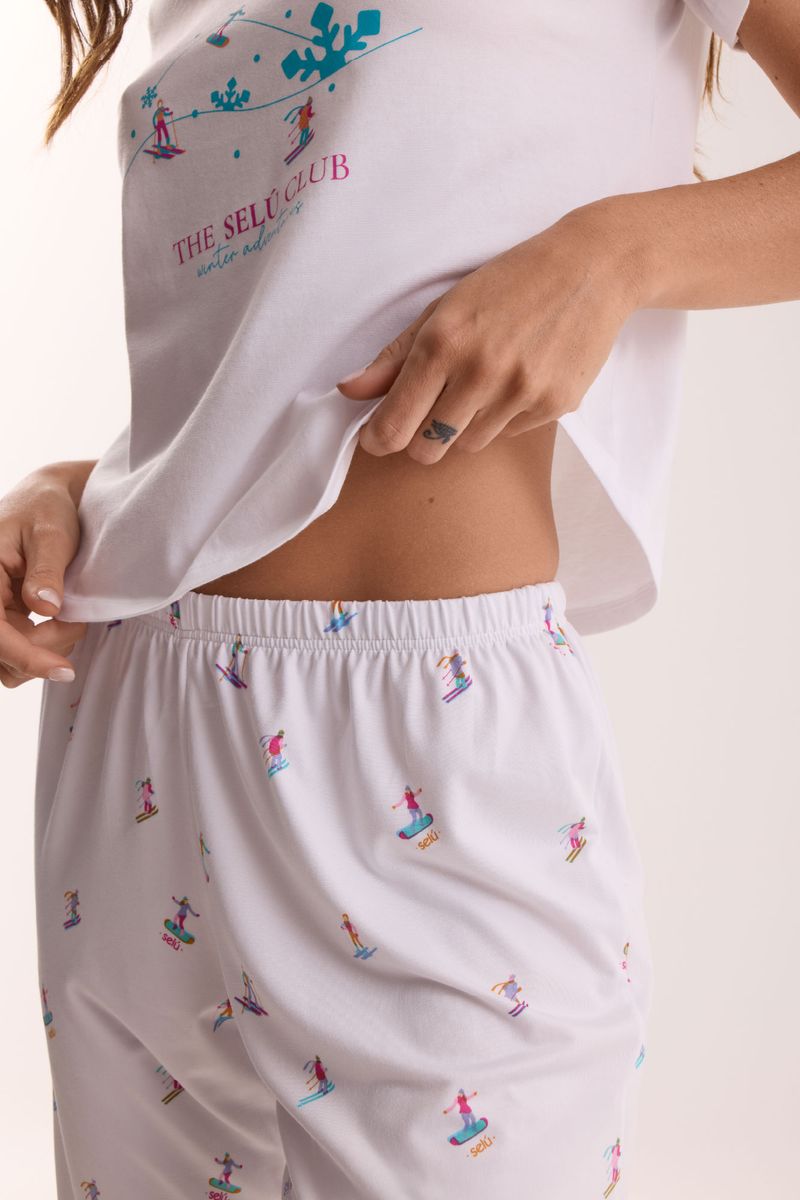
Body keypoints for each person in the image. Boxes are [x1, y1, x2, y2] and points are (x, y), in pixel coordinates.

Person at [3, 1, 798, 1197]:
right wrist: (76, 493)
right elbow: (264, 367)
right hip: (132, 732)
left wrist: (610, 256)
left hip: (422, 740)